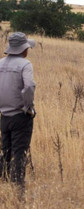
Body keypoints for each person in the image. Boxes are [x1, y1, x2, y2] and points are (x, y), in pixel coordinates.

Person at [0, 32, 36, 198]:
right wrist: (28, 107)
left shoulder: (0, 63)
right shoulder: (25, 64)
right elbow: (28, 87)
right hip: (20, 116)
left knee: (5, 153)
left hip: (4, 117)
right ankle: (18, 193)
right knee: (19, 154)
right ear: (24, 49)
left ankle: (4, 188)